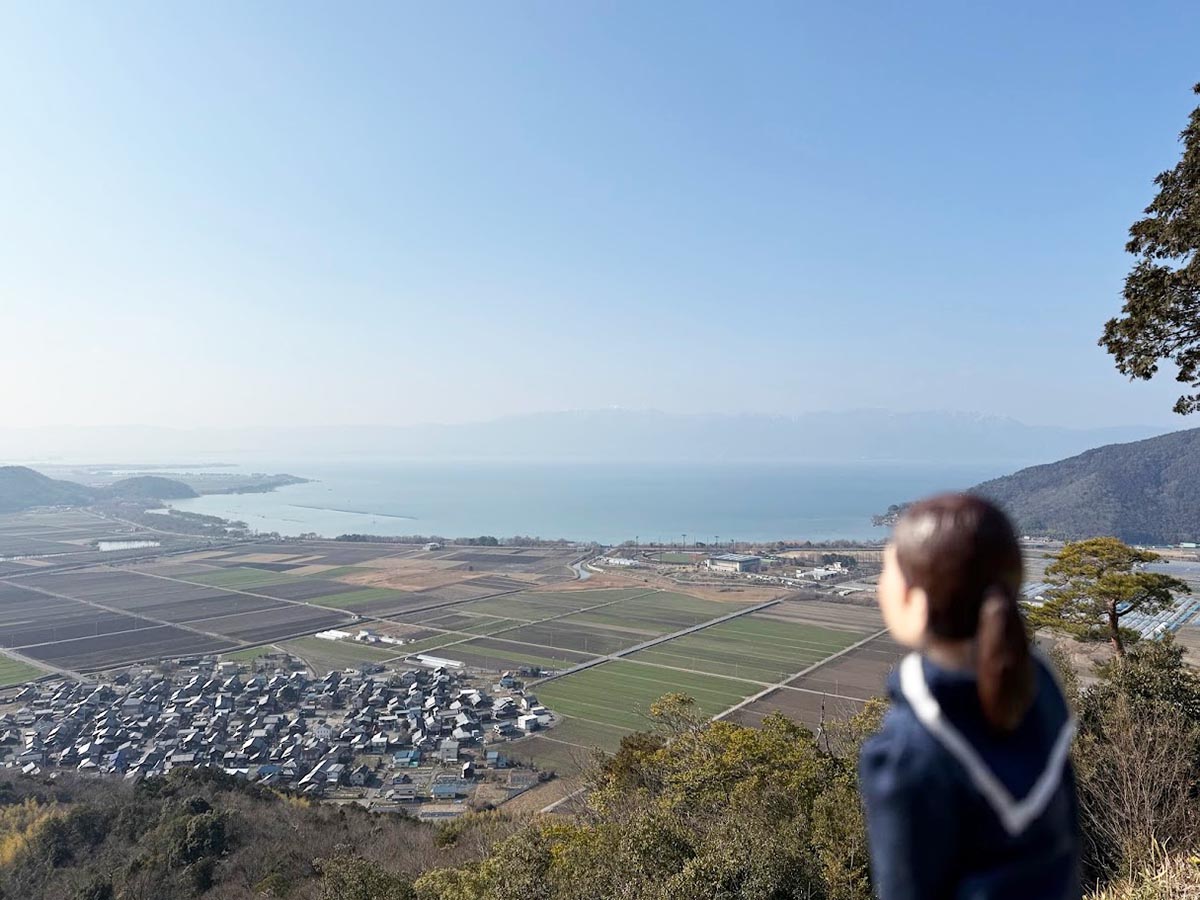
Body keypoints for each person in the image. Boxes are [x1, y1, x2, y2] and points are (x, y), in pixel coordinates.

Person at [859, 493, 1080, 900]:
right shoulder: (1040, 684)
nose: (879, 585)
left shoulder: (906, 753)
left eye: (887, 572)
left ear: (916, 604)